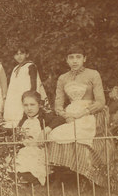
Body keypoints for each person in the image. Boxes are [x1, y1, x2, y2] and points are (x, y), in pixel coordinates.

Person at [46, 45, 114, 187]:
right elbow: (58, 104)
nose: (75, 61)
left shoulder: (93, 74)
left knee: (80, 135)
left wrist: (81, 113)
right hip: (70, 113)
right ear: (67, 60)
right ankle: (60, 176)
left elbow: (100, 101)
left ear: (84, 59)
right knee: (55, 134)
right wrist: (65, 115)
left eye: (78, 57)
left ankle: (86, 176)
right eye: (71, 58)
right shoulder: (63, 78)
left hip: (89, 113)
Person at [14, 91, 64, 185]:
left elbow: (61, 119)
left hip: (40, 150)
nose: (29, 108)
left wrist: (46, 130)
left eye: (32, 105)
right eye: (26, 105)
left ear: (39, 105)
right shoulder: (23, 120)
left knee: (30, 162)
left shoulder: (45, 117)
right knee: (16, 160)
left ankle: (29, 179)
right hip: (24, 150)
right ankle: (23, 178)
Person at [3, 46, 46, 127]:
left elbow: (34, 83)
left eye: (21, 53)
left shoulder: (30, 66)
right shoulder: (15, 68)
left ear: (27, 54)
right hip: (15, 96)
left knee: (24, 112)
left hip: (26, 94)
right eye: (16, 54)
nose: (19, 56)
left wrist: (31, 95)